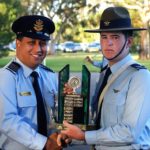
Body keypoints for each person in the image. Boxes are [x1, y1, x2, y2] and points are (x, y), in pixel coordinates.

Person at [57, 6, 150, 149]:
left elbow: (130, 132)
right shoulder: (105, 73)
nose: (108, 43)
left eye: (115, 37)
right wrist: (74, 134)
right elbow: (101, 123)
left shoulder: (139, 76)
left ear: (129, 42)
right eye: (104, 37)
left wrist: (84, 136)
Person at [0, 15, 70, 150]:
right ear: (18, 44)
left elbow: (56, 115)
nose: (38, 49)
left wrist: (64, 132)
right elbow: (7, 121)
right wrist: (45, 143)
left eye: (43, 43)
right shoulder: (5, 77)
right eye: (31, 43)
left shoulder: (50, 76)